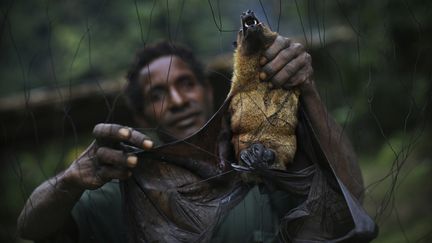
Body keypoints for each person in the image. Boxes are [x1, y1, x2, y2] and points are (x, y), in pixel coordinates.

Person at [17, 36, 365, 242]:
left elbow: (350, 197)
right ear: (141, 117)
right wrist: (69, 181)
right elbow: (32, 226)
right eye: (158, 94)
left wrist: (308, 93)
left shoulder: (260, 157)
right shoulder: (125, 184)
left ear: (207, 91)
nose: (179, 100)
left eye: (185, 84)